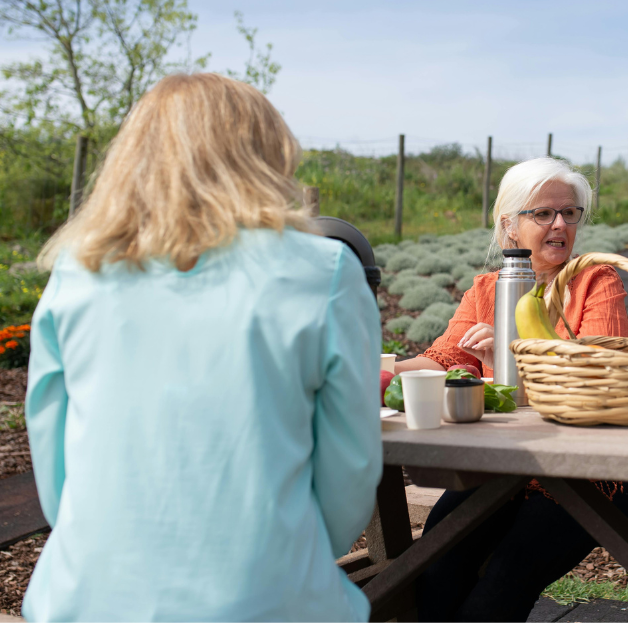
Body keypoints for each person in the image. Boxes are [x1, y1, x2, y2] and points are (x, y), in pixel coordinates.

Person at [23, 73, 382, 622]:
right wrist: (286, 551)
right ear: (264, 156)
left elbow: (54, 463)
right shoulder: (324, 270)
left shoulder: (77, 272)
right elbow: (349, 469)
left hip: (88, 597)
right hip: (265, 596)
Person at [395, 157, 628, 622]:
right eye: (543, 213)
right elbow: (441, 359)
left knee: (502, 585)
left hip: (591, 471)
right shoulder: (488, 289)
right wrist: (378, 372)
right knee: (437, 560)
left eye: (569, 213)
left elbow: (594, 375)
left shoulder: (596, 281)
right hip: (505, 465)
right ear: (509, 227)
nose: (559, 224)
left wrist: (513, 361)